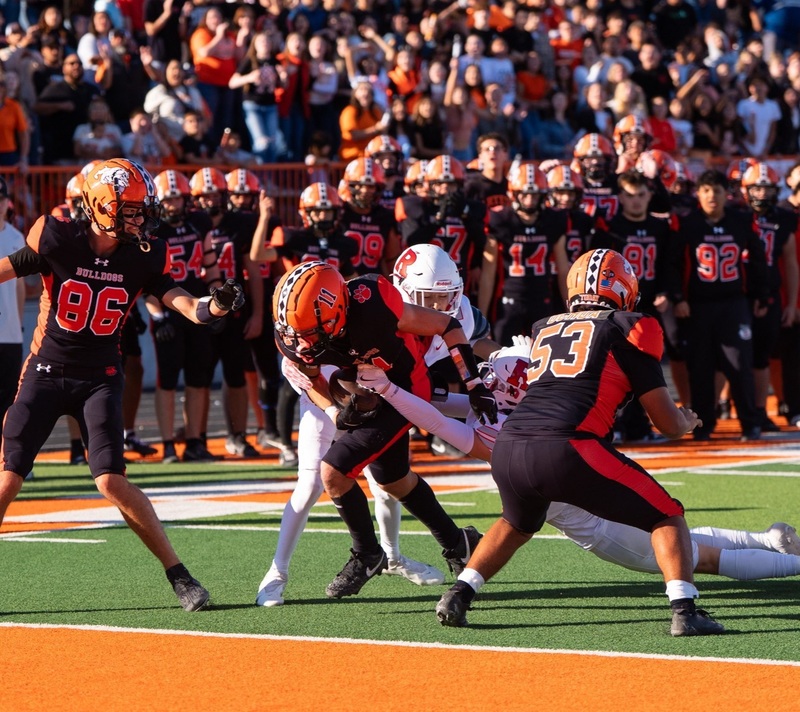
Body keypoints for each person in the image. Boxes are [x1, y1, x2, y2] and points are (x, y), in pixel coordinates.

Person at [433, 248, 725, 636]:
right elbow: (664, 422)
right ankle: (685, 610)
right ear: (623, 288)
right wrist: (685, 423)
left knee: (516, 524)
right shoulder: (630, 326)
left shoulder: (545, 327)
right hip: (569, 444)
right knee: (666, 514)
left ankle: (459, 594)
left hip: (510, 445)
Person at [0, 158, 246, 612]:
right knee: (8, 479)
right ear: (98, 205)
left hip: (100, 377)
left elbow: (183, 303)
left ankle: (179, 575)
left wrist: (214, 307)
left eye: (141, 209)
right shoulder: (57, 237)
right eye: (130, 209)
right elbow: (8, 268)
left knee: (112, 481)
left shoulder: (143, 253)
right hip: (46, 371)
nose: (140, 217)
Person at [355, 348, 800, 585]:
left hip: (599, 528)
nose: (484, 384)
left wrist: (393, 393)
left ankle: (791, 567)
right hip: (597, 494)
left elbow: (439, 420)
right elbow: (446, 402)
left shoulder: (505, 437)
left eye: (493, 381)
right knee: (684, 536)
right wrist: (400, 388)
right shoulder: (531, 411)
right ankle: (767, 539)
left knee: (699, 558)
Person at [272, 260, 498, 598]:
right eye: (298, 333)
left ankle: (367, 554)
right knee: (394, 480)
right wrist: (334, 412)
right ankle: (458, 543)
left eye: (311, 332)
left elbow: (447, 324)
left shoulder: (373, 301)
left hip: (408, 389)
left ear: (337, 309)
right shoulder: (297, 333)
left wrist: (473, 382)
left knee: (333, 472)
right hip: (366, 392)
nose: (303, 343)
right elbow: (315, 379)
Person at [667, 169, 770, 441]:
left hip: (733, 304)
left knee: (739, 365)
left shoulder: (741, 221)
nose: (712, 196)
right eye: (707, 190)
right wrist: (678, 298)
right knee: (700, 368)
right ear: (698, 194)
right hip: (698, 306)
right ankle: (703, 426)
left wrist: (762, 295)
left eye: (718, 191)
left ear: (727, 194)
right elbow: (672, 264)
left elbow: (758, 261)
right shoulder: (687, 224)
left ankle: (750, 423)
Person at [190, 167, 263, 458]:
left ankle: (237, 435)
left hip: (234, 312)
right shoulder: (191, 224)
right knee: (200, 378)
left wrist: (257, 314)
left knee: (236, 376)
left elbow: (253, 271)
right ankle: (199, 438)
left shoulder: (239, 223)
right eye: (204, 195)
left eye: (214, 194)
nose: (209, 200)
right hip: (199, 310)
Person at [150, 169, 220, 463]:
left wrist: (217, 305)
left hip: (197, 308)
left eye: (177, 199)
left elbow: (211, 268)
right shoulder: (151, 230)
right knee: (167, 379)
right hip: (168, 309)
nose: (173, 205)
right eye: (168, 199)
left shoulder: (200, 222)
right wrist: (157, 317)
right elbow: (147, 281)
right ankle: (167, 444)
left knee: (198, 378)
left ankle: (195, 441)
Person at [478, 162, 570, 344]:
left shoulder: (553, 220)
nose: (529, 200)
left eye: (535, 195)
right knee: (503, 358)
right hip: (508, 301)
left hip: (542, 300)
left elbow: (563, 270)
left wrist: (572, 309)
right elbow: (488, 274)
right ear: (514, 193)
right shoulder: (500, 220)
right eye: (525, 194)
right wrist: (481, 318)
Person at [740, 163, 799, 431]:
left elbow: (790, 263)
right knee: (734, 356)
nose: (762, 194)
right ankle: (732, 407)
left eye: (767, 188)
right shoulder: (736, 215)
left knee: (761, 356)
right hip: (738, 294)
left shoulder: (784, 218)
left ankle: (760, 410)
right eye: (757, 187)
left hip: (771, 295)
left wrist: (792, 302)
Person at [0, 177, 25, 447]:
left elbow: (18, 287)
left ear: (7, 203)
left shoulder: (16, 237)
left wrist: (18, 324)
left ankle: (9, 457)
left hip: (9, 332)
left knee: (10, 400)